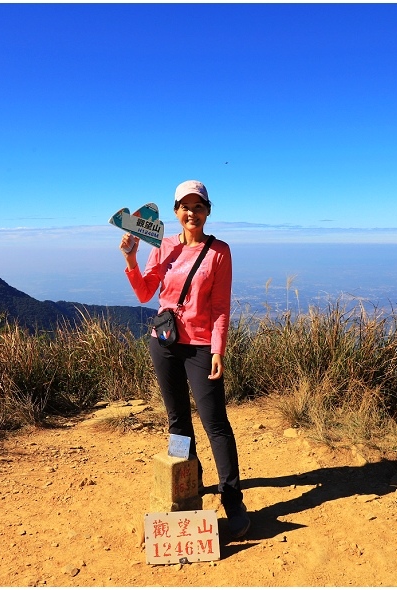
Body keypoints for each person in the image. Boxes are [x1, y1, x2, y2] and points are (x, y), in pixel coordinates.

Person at [119, 179, 250, 540]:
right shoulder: (162, 246)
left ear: (208, 211)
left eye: (199, 206)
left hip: (201, 346)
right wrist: (130, 259)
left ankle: (232, 500)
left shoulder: (219, 252)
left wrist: (219, 349)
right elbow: (147, 292)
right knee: (178, 422)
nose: (191, 212)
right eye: (185, 206)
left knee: (215, 423)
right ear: (176, 212)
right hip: (163, 342)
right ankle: (188, 482)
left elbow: (221, 307)